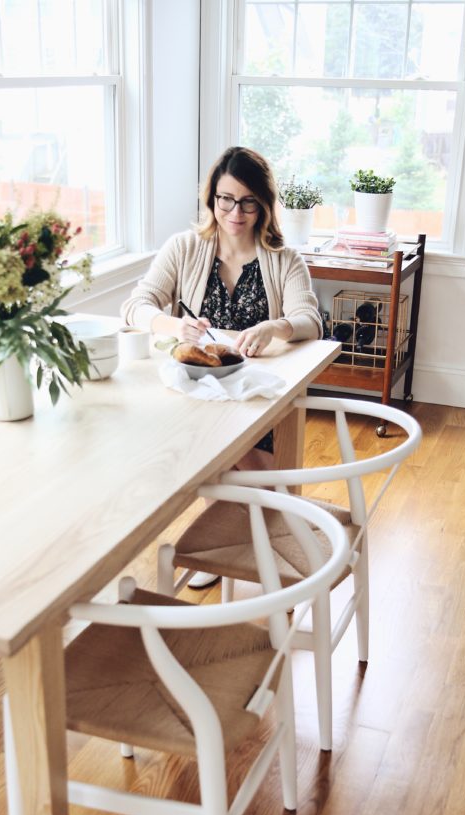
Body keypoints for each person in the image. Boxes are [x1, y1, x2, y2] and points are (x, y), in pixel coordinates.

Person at [122, 145, 322, 586]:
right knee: (223, 460)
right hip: (197, 394)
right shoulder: (185, 248)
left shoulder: (284, 260)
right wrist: (174, 325)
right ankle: (221, 544)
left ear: (264, 205)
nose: (235, 211)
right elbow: (134, 306)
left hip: (256, 397)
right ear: (211, 199)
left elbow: (311, 320)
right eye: (225, 199)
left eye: (248, 201)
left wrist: (275, 327)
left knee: (254, 475)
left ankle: (229, 544)